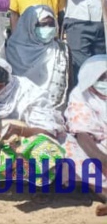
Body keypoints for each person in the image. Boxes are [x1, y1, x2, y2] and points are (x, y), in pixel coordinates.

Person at [61, 55, 107, 216]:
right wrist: (103, 159)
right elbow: (82, 135)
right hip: (93, 146)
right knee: (70, 149)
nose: (105, 82)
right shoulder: (80, 95)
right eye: (101, 78)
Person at [6, 5, 70, 110]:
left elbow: (69, 79)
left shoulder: (61, 49)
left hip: (54, 109)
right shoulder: (13, 49)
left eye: (51, 24)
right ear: (29, 25)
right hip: (19, 108)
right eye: (42, 24)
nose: (48, 28)